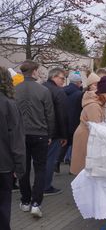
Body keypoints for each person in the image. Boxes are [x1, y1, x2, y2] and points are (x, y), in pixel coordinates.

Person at [16, 60, 55, 218]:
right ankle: (36, 203)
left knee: (23, 168)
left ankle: (25, 201)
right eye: (38, 71)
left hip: (21, 135)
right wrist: (50, 134)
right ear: (33, 72)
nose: (39, 73)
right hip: (40, 134)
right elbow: (49, 115)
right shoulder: (43, 90)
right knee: (40, 169)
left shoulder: (14, 90)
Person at [70, 76, 106, 175]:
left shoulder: (101, 103)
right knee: (83, 171)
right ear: (103, 93)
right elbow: (97, 128)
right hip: (85, 137)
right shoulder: (94, 106)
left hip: (89, 137)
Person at [0, 66, 26, 230]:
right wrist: (19, 167)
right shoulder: (9, 105)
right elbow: (16, 140)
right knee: (3, 205)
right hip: (4, 165)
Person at [43, 68, 68, 195]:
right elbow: (62, 115)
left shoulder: (41, 88)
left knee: (39, 160)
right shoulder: (58, 92)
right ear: (54, 77)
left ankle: (38, 185)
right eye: (62, 78)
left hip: (38, 131)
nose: (63, 81)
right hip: (54, 133)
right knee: (49, 160)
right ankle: (46, 187)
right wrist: (64, 135)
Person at [55, 72, 83, 173]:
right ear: (78, 83)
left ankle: (57, 162)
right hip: (75, 121)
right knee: (75, 146)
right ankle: (73, 167)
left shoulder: (61, 91)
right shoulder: (79, 94)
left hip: (62, 121)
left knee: (64, 143)